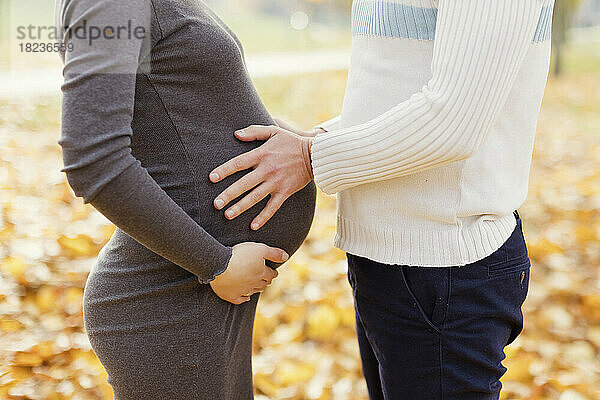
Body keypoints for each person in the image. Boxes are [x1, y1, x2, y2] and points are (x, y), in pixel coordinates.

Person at [210, 0, 554, 398]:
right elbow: (399, 92)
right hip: (387, 260)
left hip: (445, 264)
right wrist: (316, 139)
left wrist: (310, 158)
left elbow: (454, 120)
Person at [55, 0, 316, 398]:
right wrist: (215, 264)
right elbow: (94, 161)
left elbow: (180, 111)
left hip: (207, 294)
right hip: (167, 304)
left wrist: (283, 138)